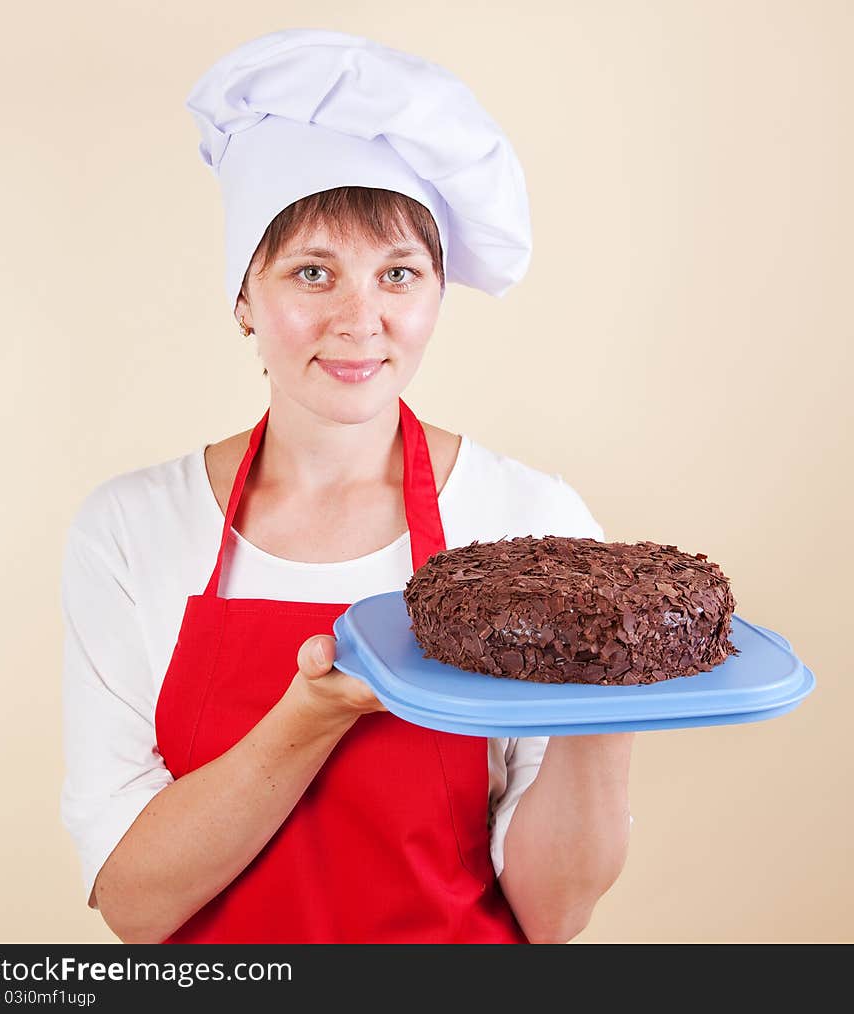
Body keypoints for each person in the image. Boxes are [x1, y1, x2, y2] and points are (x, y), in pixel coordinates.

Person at [59, 28, 634, 945]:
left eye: (398, 274)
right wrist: (315, 713)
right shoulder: (131, 530)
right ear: (243, 297)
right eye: (311, 272)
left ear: (438, 295)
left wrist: (613, 703)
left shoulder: (533, 527)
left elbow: (552, 916)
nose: (360, 321)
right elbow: (135, 906)